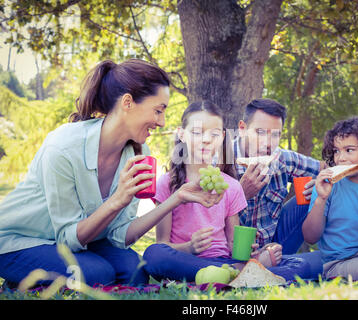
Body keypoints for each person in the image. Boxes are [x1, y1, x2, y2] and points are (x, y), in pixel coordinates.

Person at [0, 59, 223, 288]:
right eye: (158, 111)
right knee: (98, 274)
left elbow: (119, 235)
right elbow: (68, 237)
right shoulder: (63, 147)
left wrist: (177, 198)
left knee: (134, 272)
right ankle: (18, 280)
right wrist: (117, 199)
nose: (161, 122)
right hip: (21, 240)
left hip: (82, 243)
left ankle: (50, 275)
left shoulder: (138, 151)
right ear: (128, 102)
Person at [144, 101, 311, 282]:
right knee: (154, 254)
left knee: (301, 266)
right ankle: (240, 274)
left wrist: (252, 251)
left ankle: (230, 273)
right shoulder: (167, 183)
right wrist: (189, 247)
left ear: (222, 137)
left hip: (223, 260)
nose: (206, 139)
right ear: (182, 135)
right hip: (187, 260)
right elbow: (162, 244)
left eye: (214, 134)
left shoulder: (231, 186)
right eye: (197, 132)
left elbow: (233, 245)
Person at [234, 98, 323, 279]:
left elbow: (326, 168)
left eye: (275, 135)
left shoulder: (282, 159)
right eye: (260, 132)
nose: (267, 143)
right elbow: (206, 221)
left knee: (314, 192)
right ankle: (270, 269)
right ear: (242, 129)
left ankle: (276, 266)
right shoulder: (219, 162)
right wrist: (239, 195)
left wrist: (322, 182)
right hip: (233, 251)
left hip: (277, 247)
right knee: (311, 266)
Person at [302, 116, 358, 280]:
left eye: (349, 150)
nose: (340, 158)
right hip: (337, 263)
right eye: (336, 151)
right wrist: (321, 199)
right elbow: (310, 237)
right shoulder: (327, 187)